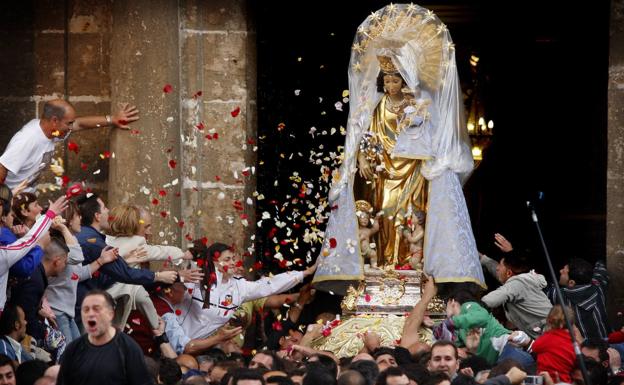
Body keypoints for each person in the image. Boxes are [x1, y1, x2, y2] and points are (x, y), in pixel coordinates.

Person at [314, 3, 484, 293]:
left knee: (407, 217)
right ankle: (383, 265)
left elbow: (432, 140)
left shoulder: (421, 105)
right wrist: (362, 158)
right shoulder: (380, 105)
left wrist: (417, 118)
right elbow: (367, 135)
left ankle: (409, 265)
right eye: (387, 79)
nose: (391, 84)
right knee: (384, 216)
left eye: (395, 79)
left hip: (413, 171)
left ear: (405, 79)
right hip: (385, 171)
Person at [174, 242, 316, 340]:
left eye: (233, 259)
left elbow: (270, 285)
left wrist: (304, 273)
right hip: (173, 338)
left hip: (199, 346)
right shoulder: (197, 277)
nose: (232, 263)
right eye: (227, 259)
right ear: (214, 262)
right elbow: (164, 286)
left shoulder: (239, 288)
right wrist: (180, 277)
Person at [74, 193, 177, 325]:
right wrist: (160, 276)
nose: (108, 211)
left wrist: (125, 261)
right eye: (105, 208)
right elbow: (125, 274)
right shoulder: (93, 241)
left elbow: (104, 276)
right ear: (97, 216)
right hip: (81, 307)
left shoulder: (93, 237)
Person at [0, 99, 138, 192]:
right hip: (13, 200)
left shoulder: (52, 130)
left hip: (27, 197)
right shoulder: (27, 139)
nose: (71, 127)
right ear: (54, 121)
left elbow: (80, 123)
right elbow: (2, 167)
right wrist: (5, 204)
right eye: (69, 123)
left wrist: (112, 119)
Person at [45, 200, 119, 343]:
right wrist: (64, 229)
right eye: (77, 216)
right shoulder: (56, 244)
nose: (80, 219)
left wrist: (101, 261)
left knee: (77, 352)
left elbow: (76, 274)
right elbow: (77, 258)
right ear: (68, 221)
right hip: (57, 312)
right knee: (68, 356)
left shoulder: (69, 242)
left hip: (66, 312)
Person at [57, 289, 154, 385]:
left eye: (96, 309)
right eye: (86, 310)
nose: (90, 314)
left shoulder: (128, 348)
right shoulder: (73, 349)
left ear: (111, 314)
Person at [0, 195, 67, 310]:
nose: (40, 208)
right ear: (3, 218)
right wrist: (49, 215)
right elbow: (25, 261)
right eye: (11, 215)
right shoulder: (4, 241)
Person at [480, 251, 552, 338]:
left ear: (509, 273)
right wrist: (481, 257)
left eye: (500, 265)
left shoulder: (518, 284)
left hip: (551, 336)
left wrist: (471, 305)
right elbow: (496, 269)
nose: (497, 268)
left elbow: (492, 299)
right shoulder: (524, 279)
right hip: (549, 332)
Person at [547, 258, 611, 340]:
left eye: (564, 271)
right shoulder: (599, 286)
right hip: (609, 341)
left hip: (585, 347)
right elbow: (601, 268)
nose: (560, 271)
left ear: (571, 283)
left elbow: (542, 290)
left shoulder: (559, 295)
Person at [530, 305, 577, 383]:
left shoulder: (548, 338)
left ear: (549, 320)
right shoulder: (573, 341)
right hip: (565, 380)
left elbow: (534, 347)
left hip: (546, 379)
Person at [355, 201, 381, 268]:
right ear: (357, 219)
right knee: (360, 260)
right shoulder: (356, 230)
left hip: (367, 250)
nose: (365, 220)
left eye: (367, 218)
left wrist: (376, 220)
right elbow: (353, 241)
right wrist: (360, 238)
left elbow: (375, 228)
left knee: (373, 254)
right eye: (362, 218)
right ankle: (361, 267)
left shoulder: (368, 230)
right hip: (358, 251)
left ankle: (374, 265)